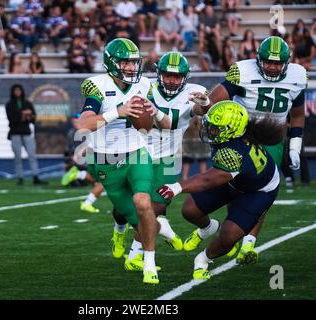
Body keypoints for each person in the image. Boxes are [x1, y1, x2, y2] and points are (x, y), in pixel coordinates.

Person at [189, 36, 308, 265]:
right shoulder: (242, 72)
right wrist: (203, 103)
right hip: (240, 135)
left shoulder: (297, 75)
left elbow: (298, 114)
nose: (272, 67)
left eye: (277, 63)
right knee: (232, 182)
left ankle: (248, 244)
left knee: (260, 190)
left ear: (286, 62)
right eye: (268, 62)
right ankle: (230, 230)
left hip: (272, 138)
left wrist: (294, 146)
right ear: (258, 60)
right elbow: (210, 103)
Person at [72, 38, 172, 284]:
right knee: (146, 226)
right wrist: (118, 111)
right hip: (105, 160)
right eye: (125, 62)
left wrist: (149, 113)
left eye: (133, 62)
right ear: (111, 63)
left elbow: (156, 127)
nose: (130, 67)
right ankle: (120, 231)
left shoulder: (144, 85)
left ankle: (149, 264)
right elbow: (83, 126)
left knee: (143, 202)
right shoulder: (96, 85)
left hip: (137, 152)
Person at [157, 100, 285, 280]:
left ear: (230, 131)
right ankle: (208, 228)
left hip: (258, 191)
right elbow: (220, 114)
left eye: (215, 128)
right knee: (189, 210)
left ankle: (202, 259)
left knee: (229, 236)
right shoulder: (234, 133)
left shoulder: (233, 151)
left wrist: (177, 187)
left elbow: (209, 179)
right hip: (235, 179)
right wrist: (207, 102)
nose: (209, 129)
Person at [121, 52, 208, 270]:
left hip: (169, 156)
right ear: (159, 74)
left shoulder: (191, 92)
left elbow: (201, 109)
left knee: (157, 206)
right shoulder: (144, 86)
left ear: (185, 78)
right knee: (137, 206)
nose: (172, 80)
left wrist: (205, 102)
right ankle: (143, 242)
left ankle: (135, 255)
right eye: (167, 75)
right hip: (140, 152)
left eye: (177, 77)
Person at [5, 84, 48, 186]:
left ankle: (35, 176)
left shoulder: (27, 103)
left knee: (32, 155)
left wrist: (29, 116)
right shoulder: (9, 104)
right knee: (18, 157)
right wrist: (23, 114)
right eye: (15, 90)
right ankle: (20, 178)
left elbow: (33, 118)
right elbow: (11, 118)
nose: (17, 92)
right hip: (15, 133)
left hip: (26, 132)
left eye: (19, 90)